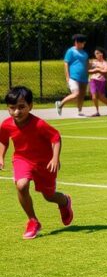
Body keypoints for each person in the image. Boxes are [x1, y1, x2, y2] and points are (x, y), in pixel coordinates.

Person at [1, 86, 73, 239]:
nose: (16, 112)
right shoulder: (6, 124)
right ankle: (33, 221)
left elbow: (56, 138)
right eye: (12, 108)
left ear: (30, 106)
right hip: (22, 159)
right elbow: (3, 141)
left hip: (44, 163)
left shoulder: (39, 124)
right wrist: (1, 156)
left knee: (48, 195)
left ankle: (64, 201)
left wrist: (55, 158)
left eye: (21, 107)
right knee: (21, 185)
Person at [56, 34, 89, 117]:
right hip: (74, 77)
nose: (78, 44)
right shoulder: (70, 51)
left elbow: (87, 64)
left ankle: (79, 111)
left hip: (84, 77)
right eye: (77, 42)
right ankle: (60, 104)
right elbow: (66, 63)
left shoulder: (85, 53)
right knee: (76, 94)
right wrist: (67, 77)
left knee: (81, 95)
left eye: (80, 42)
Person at [87, 47, 107, 116]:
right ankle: (97, 111)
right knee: (94, 96)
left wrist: (98, 69)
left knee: (100, 97)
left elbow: (106, 71)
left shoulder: (105, 62)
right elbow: (87, 69)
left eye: (98, 53)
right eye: (95, 53)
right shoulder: (93, 62)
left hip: (101, 81)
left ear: (102, 54)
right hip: (93, 80)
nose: (96, 55)